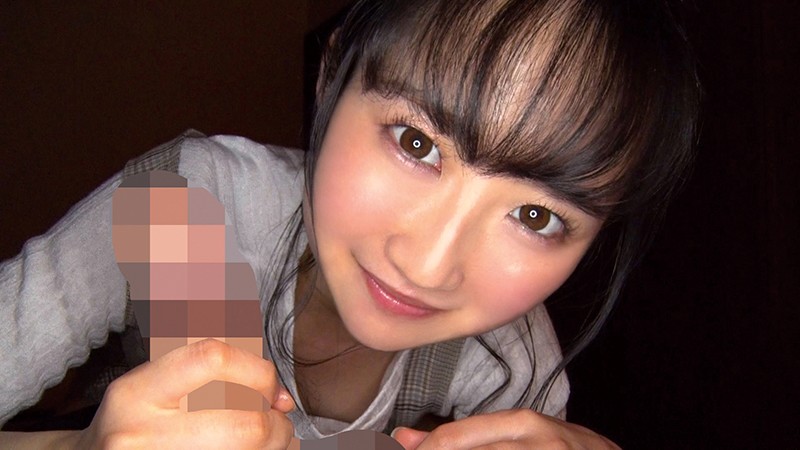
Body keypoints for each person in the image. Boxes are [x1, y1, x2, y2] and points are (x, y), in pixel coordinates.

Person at [0, 0, 699, 448]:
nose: (428, 266)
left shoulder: (508, 366)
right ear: (331, 76)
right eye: (417, 143)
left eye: (535, 216)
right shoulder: (184, 211)